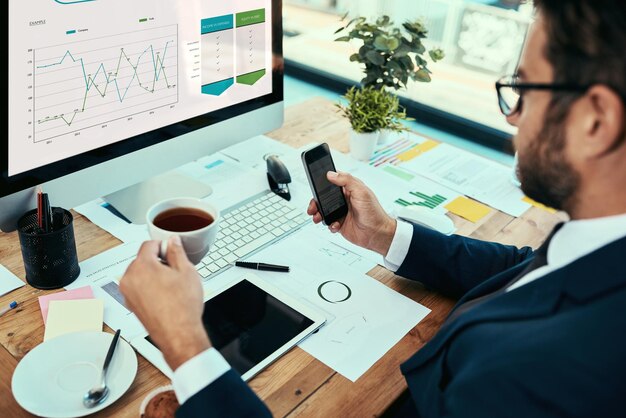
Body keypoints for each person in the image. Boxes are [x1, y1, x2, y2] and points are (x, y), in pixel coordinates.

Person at [119, 1, 626, 416]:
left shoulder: (545, 377)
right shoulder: (603, 243)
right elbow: (524, 267)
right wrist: (386, 235)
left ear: (597, 120)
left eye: (524, 88)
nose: (513, 116)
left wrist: (185, 343)